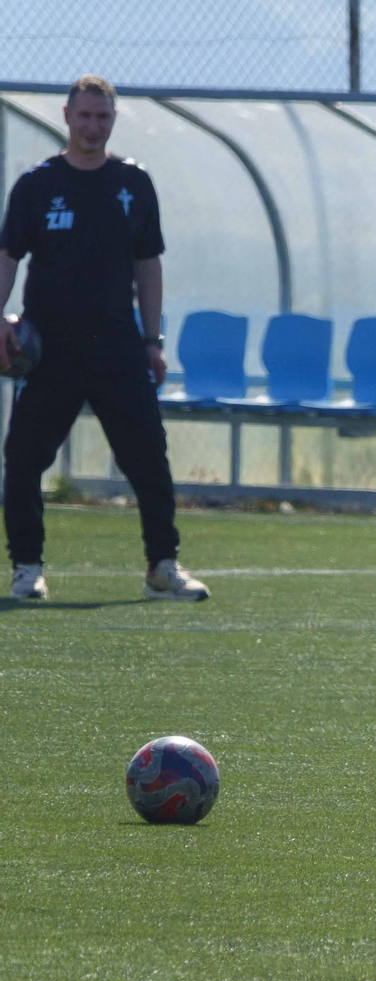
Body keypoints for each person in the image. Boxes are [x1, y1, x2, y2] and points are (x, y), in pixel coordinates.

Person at [0, 75, 209, 602]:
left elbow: (147, 264)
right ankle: (27, 569)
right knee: (23, 459)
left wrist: (152, 340)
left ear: (113, 121)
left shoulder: (134, 184)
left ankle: (162, 566)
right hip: (49, 350)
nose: (92, 125)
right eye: (84, 115)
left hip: (117, 347)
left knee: (149, 458)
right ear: (66, 117)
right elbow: (7, 259)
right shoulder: (37, 185)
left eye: (103, 117)